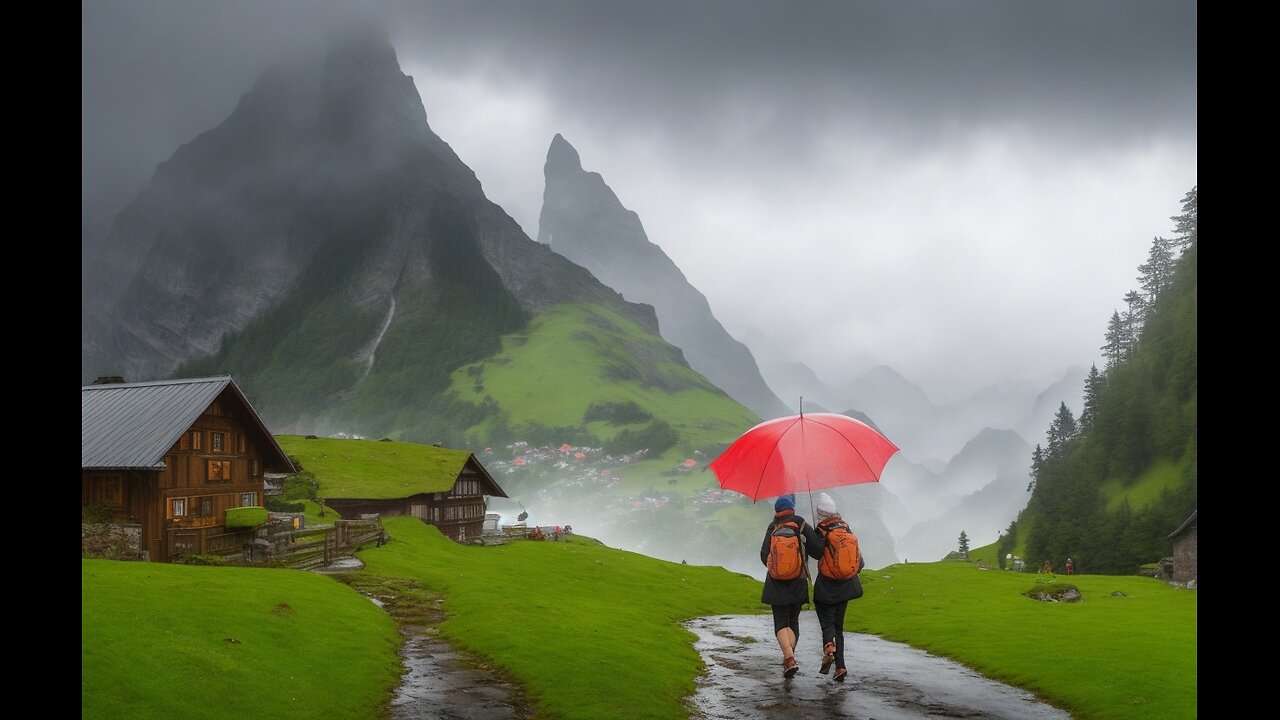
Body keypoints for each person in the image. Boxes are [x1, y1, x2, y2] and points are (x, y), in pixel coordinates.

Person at [760, 493, 820, 678]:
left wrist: (776, 568)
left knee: (780, 621)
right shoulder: (800, 524)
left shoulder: (773, 526)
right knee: (793, 620)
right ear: (792, 508)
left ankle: (788, 657)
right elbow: (818, 552)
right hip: (797, 581)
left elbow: (763, 555)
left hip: (775, 582)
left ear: (777, 510)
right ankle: (790, 657)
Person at [808, 492, 864, 683]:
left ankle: (829, 647)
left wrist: (812, 535)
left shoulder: (821, 531)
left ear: (820, 513)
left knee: (827, 623)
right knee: (838, 626)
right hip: (846, 587)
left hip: (826, 587)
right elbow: (860, 563)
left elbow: (815, 554)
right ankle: (840, 666)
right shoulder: (845, 528)